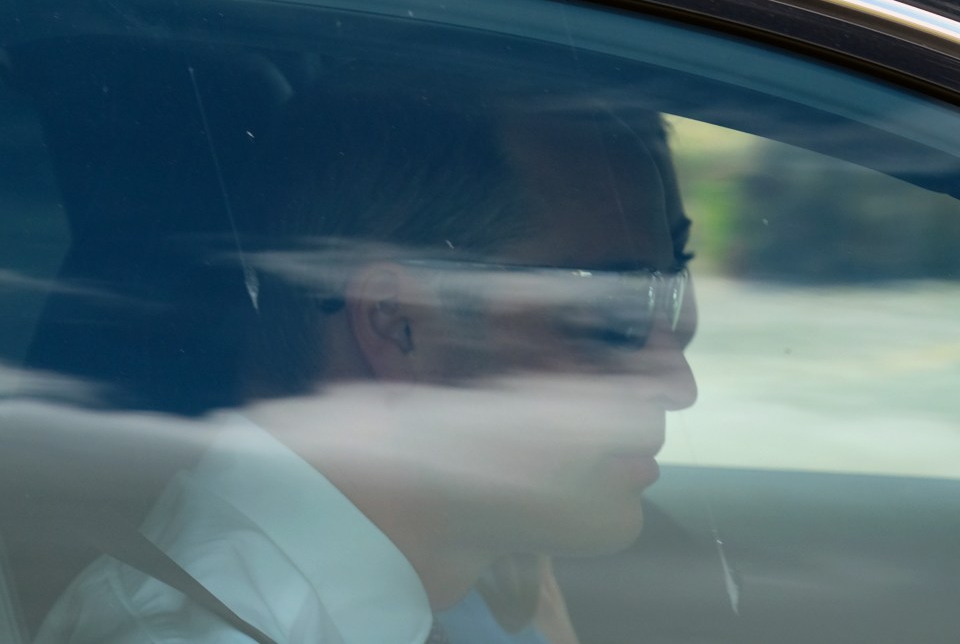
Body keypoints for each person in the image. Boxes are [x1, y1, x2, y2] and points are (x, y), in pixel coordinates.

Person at [33, 77, 697, 643]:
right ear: (396, 322)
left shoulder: (452, 599)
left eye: (669, 292)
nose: (680, 383)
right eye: (616, 311)